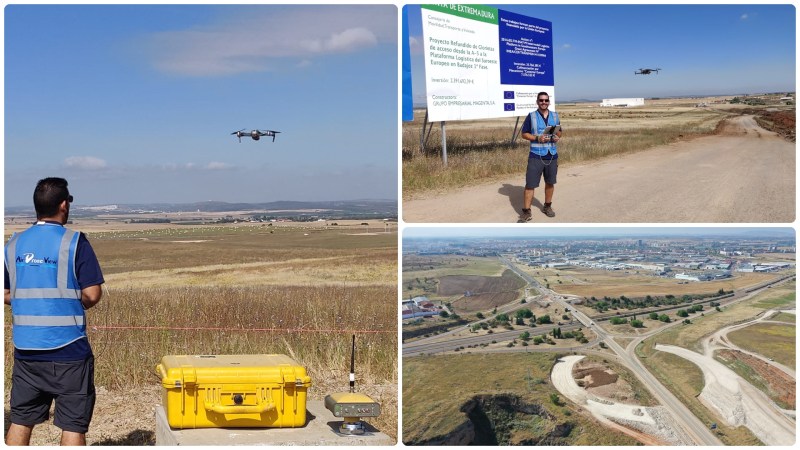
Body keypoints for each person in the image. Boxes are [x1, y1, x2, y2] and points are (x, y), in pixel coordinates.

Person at [4, 177, 104, 446]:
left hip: (26, 351)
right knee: (72, 425)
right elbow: (92, 294)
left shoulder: (13, 244)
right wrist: (67, 300)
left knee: (21, 419)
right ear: (63, 205)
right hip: (69, 350)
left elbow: (5, 292)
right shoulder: (75, 242)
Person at [519, 92, 562, 222]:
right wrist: (537, 138)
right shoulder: (531, 116)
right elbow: (524, 134)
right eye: (541, 100)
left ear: (549, 102)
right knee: (530, 185)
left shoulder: (555, 115)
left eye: (546, 100)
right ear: (537, 102)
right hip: (535, 156)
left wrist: (557, 137)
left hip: (552, 155)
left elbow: (560, 132)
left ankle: (547, 206)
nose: (544, 102)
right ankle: (526, 211)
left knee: (550, 182)